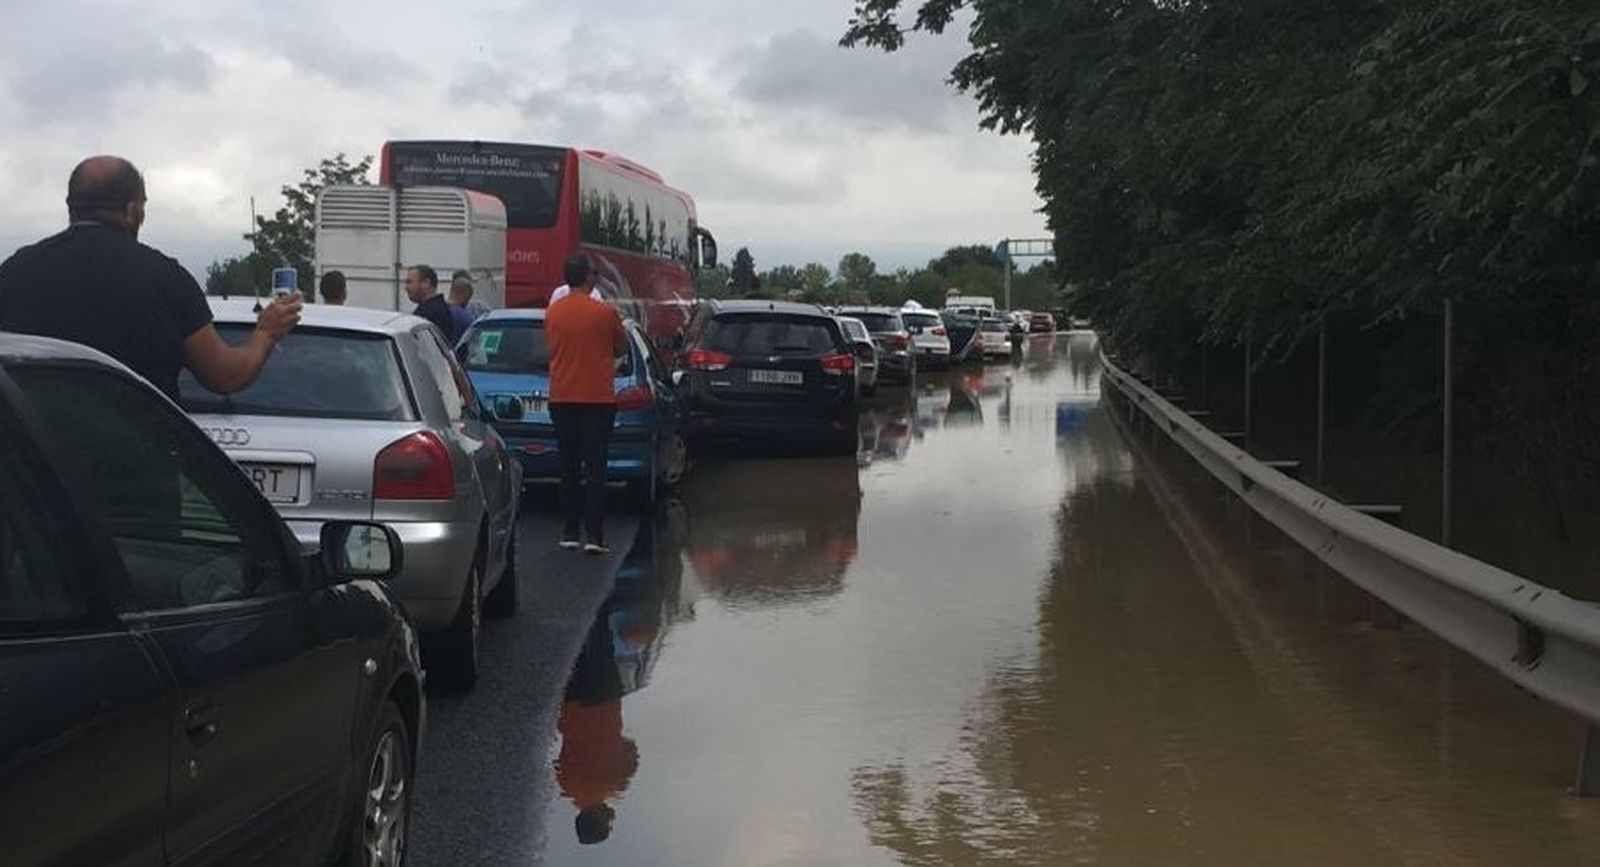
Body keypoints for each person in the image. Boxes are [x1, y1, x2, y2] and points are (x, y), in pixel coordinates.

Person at [0, 155, 300, 399]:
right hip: (137, 458)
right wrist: (265, 333)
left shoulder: (14, 272)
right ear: (133, 209)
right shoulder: (166, 278)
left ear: (70, 206)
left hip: (29, 462)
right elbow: (225, 375)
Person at [545, 253, 626, 553]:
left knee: (568, 466)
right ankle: (594, 536)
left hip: (561, 395)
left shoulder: (553, 313)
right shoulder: (605, 313)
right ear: (589, 278)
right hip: (597, 397)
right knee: (595, 468)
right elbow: (621, 346)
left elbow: (551, 347)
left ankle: (569, 531)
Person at [404, 264, 462, 344]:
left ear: (426, 283)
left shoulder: (430, 314)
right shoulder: (437, 308)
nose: (406, 288)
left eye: (409, 282)